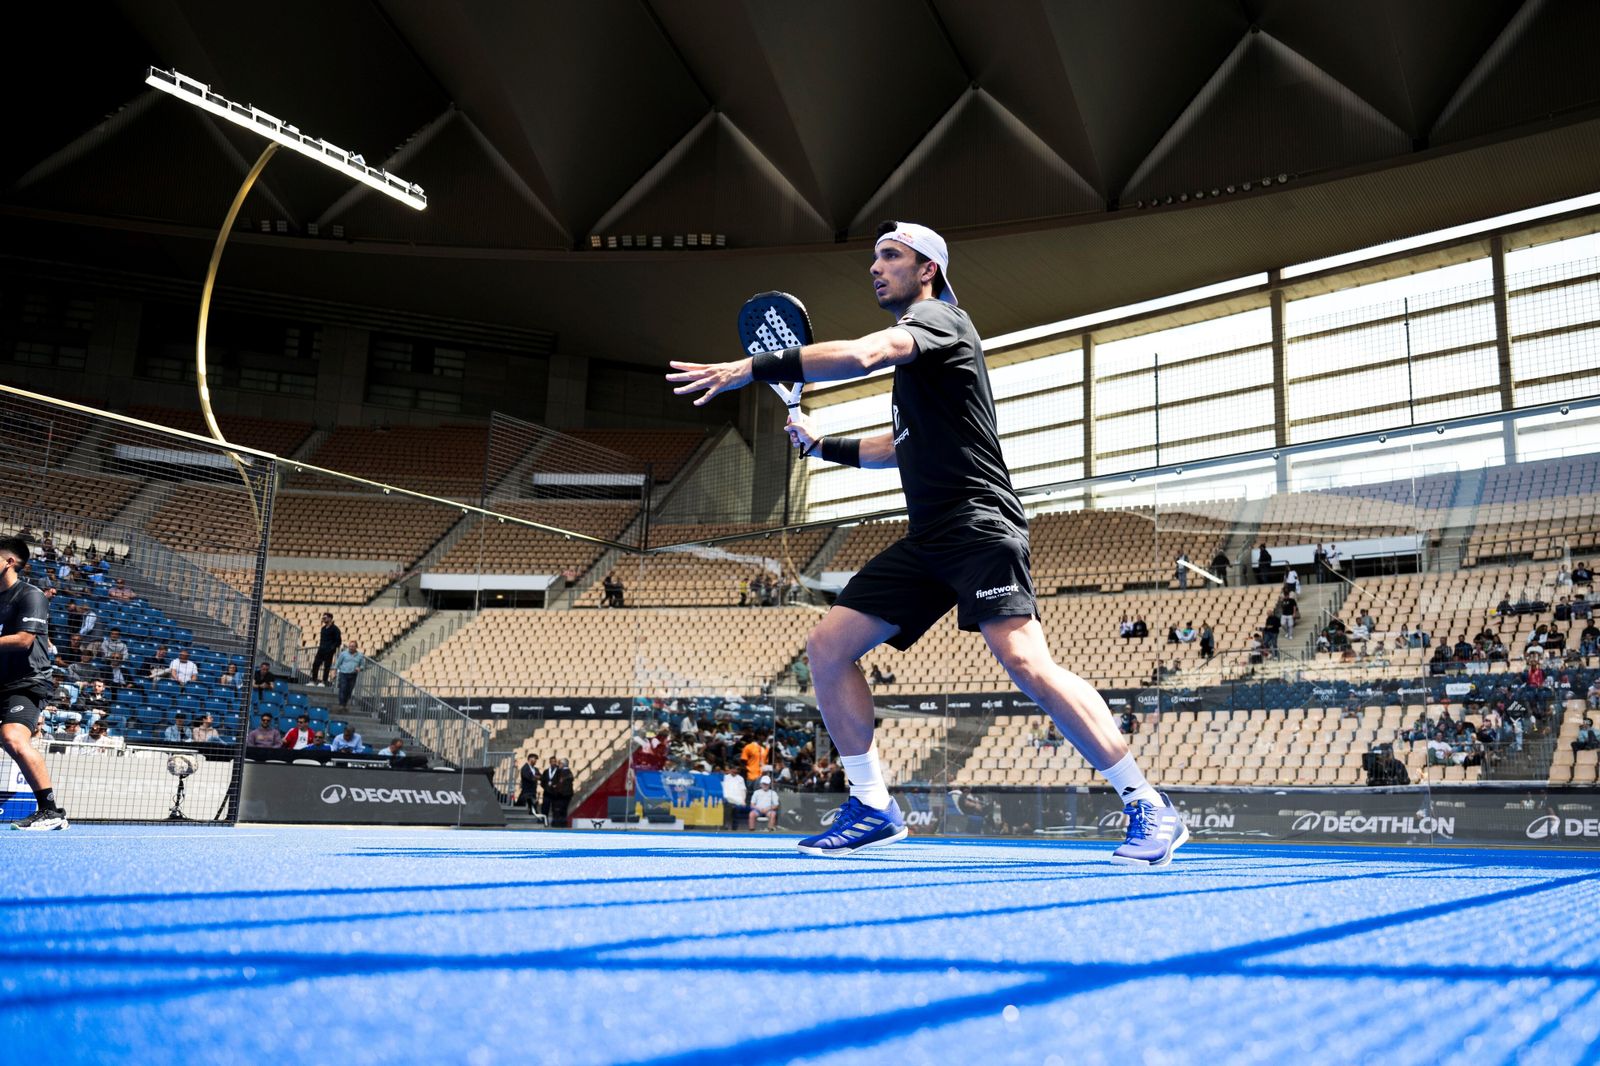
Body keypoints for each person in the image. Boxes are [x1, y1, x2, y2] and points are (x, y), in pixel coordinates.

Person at [667, 220, 1186, 866]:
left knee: (1026, 663)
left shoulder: (942, 321)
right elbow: (899, 447)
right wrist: (824, 445)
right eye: (875, 258)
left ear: (928, 271)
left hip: (978, 524)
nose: (875, 267)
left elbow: (860, 356)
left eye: (892, 256)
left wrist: (752, 368)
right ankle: (871, 805)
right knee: (828, 647)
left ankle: (1146, 803)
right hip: (930, 538)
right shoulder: (921, 364)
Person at [333, 641, 366, 709]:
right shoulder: (343, 654)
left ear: (356, 647)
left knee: (349, 690)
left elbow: (363, 666)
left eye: (353, 646)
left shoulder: (360, 655)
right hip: (343, 673)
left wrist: (360, 668)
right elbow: (337, 663)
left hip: (353, 675)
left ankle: (344, 704)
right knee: (343, 688)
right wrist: (334, 672)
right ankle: (341, 704)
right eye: (350, 646)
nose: (351, 648)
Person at [311, 612, 340, 687]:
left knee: (327, 666)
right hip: (321, 650)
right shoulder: (323, 628)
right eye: (323, 618)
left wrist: (331, 648)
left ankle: (324, 682)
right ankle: (313, 680)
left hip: (329, 651)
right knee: (315, 664)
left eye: (325, 618)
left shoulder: (335, 629)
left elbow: (338, 641)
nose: (323, 619)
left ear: (330, 618)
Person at [545, 756, 574, 827]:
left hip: (561, 795)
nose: (558, 765)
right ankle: (562, 824)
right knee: (563, 810)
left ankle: (558, 824)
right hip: (566, 795)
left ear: (563, 764)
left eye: (560, 764)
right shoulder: (569, 773)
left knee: (558, 810)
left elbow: (560, 784)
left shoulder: (563, 772)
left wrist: (555, 788)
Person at [721, 765, 749, 829]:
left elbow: (743, 790)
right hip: (727, 798)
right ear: (730, 770)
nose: (735, 771)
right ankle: (725, 826)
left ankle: (734, 828)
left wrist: (743, 800)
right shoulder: (725, 777)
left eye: (736, 770)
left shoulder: (740, 778)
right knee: (728, 806)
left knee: (737, 809)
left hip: (737, 799)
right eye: (733, 769)